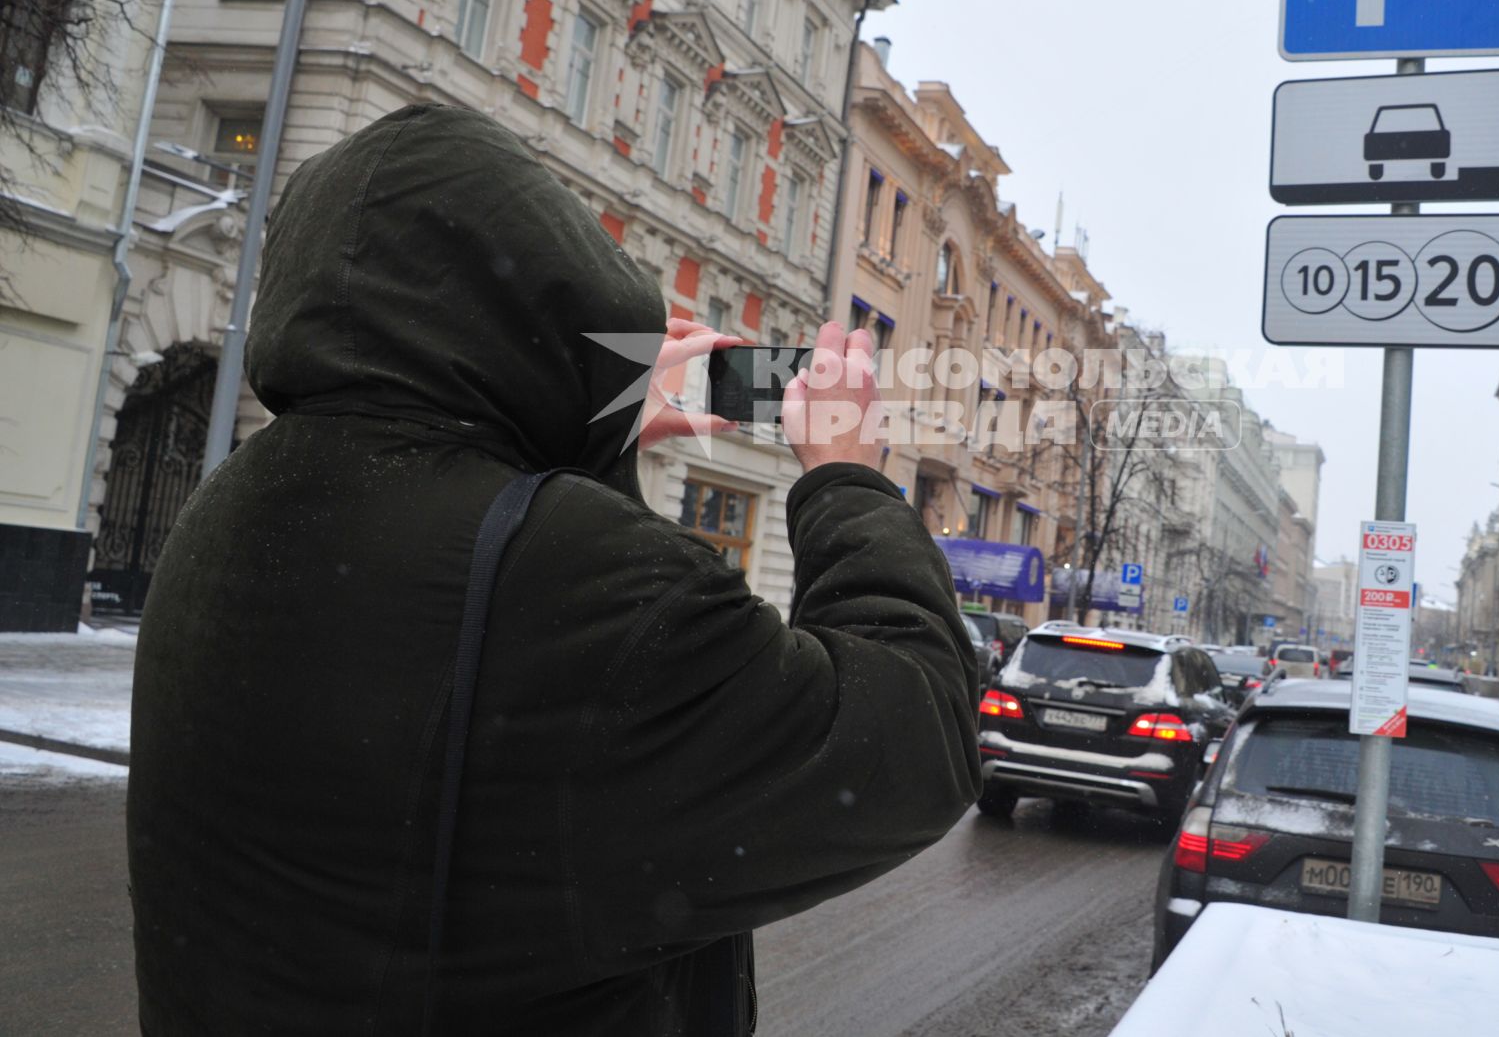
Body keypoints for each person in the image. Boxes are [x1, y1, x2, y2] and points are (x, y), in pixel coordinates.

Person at [127, 105, 980, 1035]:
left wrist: (588, 421)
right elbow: (916, 732)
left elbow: (480, 660)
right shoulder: (582, 583)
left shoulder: (235, 502)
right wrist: (847, 474)